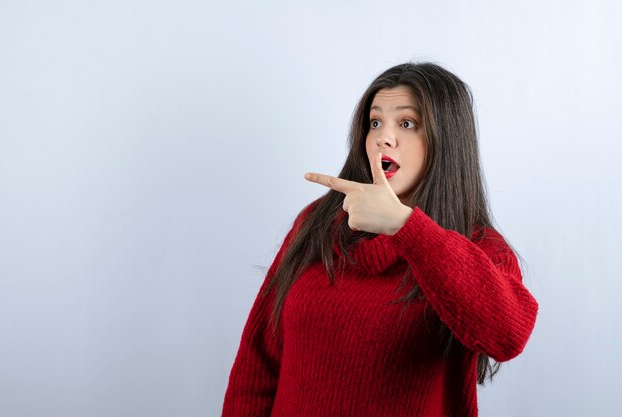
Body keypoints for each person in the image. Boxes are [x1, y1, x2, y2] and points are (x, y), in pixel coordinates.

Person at [221, 62, 539, 417]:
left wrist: (407, 228)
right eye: (375, 122)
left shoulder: (481, 248)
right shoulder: (316, 224)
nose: (383, 138)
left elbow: (508, 335)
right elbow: (257, 364)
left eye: (407, 123)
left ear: (446, 140)